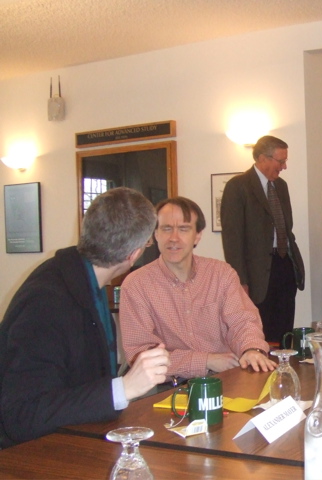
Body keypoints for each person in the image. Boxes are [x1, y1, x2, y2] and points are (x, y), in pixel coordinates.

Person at [0, 187, 170, 447]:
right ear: (133, 254)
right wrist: (123, 388)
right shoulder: (46, 302)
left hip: (75, 441)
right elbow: (22, 415)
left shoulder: (78, 277)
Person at [120, 196, 275, 378]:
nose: (173, 238)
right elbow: (141, 354)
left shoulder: (221, 274)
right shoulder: (136, 285)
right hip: (167, 386)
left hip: (225, 377)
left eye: (184, 229)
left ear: (198, 235)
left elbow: (242, 321)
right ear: (155, 234)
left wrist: (251, 349)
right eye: (166, 229)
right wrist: (206, 360)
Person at [220, 135, 305, 344]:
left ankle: (283, 372)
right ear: (262, 158)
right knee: (259, 332)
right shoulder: (238, 186)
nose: (284, 166)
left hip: (285, 267)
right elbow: (233, 238)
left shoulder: (282, 186)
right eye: (281, 161)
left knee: (285, 332)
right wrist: (241, 281)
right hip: (257, 275)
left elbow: (287, 228)